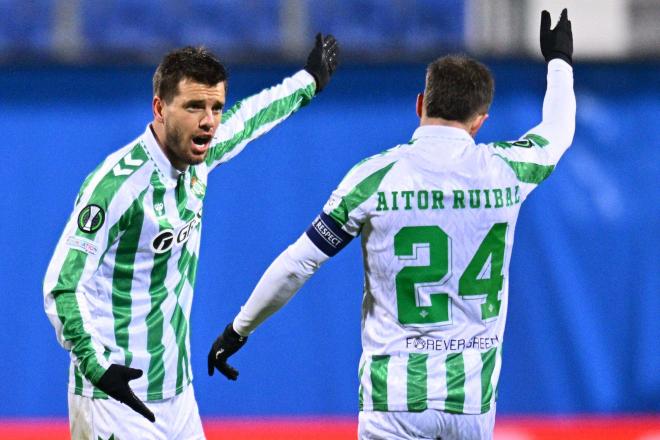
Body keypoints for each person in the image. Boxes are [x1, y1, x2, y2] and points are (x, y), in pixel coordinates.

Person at [208, 9, 575, 440]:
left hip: (394, 400)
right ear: (481, 122)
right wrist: (559, 62)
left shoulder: (374, 178)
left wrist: (239, 329)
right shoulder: (507, 170)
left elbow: (298, 264)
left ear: (420, 104)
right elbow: (558, 130)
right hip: (471, 402)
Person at [43, 33, 339, 439]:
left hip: (177, 395)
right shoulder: (116, 188)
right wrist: (98, 369)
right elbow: (62, 287)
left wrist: (309, 81)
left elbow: (250, 118)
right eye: (194, 106)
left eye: (215, 106)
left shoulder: (198, 159)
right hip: (113, 395)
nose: (209, 121)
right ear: (160, 108)